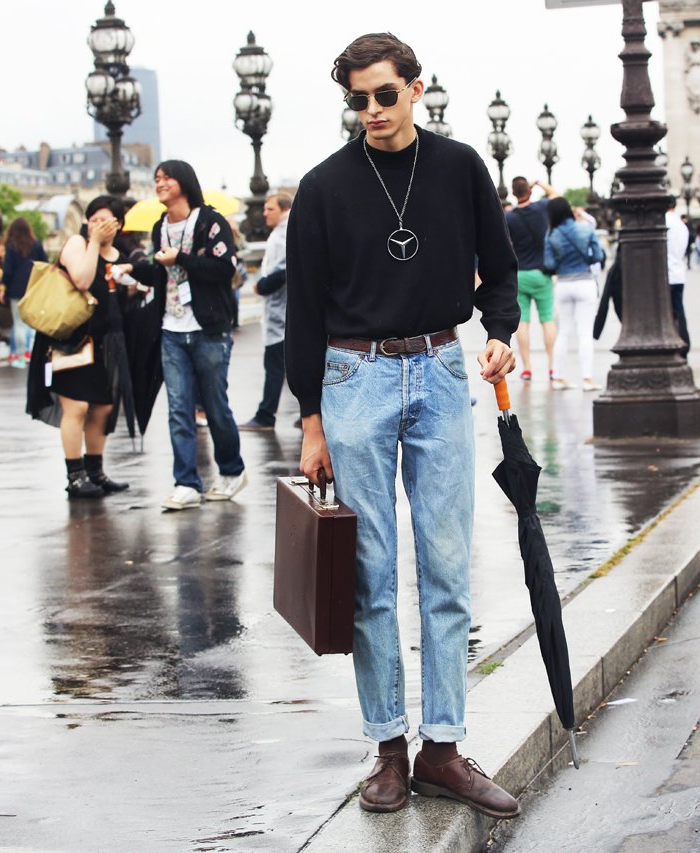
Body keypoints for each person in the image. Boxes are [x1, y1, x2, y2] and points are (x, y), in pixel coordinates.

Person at [286, 32, 521, 819]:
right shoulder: (324, 188)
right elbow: (303, 310)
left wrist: (500, 330)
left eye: (385, 95)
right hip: (353, 377)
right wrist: (311, 420)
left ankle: (443, 748)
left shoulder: (459, 168)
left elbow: (501, 266)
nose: (373, 111)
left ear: (417, 88)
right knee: (371, 571)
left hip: (441, 368)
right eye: (358, 100)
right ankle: (389, 747)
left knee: (448, 564)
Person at [114, 160, 246, 511]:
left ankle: (232, 471)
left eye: (166, 178)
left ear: (183, 182)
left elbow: (225, 269)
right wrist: (133, 268)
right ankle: (186, 482)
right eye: (156, 178)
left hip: (208, 329)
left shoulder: (210, 222)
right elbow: (161, 272)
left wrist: (181, 258)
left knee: (215, 406)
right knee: (178, 409)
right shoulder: (160, 226)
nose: (159, 183)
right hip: (172, 329)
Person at [25, 197, 131, 499]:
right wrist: (94, 242)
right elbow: (83, 281)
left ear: (118, 224)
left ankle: (95, 471)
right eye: (93, 219)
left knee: (103, 407)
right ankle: (74, 475)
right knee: (77, 406)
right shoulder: (77, 244)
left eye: (105, 220)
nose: (98, 225)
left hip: (100, 342)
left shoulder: (118, 256)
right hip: (69, 339)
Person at [239, 192, 292, 431]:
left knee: (274, 366)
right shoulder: (284, 230)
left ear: (283, 209)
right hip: (283, 312)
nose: (264, 213)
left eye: (270, 209)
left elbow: (283, 271)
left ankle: (266, 414)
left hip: (280, 313)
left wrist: (261, 285)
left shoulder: (283, 234)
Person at [543, 197, 601, 391]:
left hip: (563, 284)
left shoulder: (551, 234)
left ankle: (558, 378)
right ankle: (587, 379)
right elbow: (598, 256)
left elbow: (549, 264)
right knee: (585, 333)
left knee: (564, 333)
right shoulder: (586, 229)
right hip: (585, 282)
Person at [505, 174, 559, 383]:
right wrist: (539, 183)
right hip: (542, 272)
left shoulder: (509, 217)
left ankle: (527, 368)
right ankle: (552, 366)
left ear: (513, 193)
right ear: (529, 190)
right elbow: (555, 195)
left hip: (520, 274)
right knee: (547, 319)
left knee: (523, 322)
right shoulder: (541, 208)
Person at [0, 217, 47, 369]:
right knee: (33, 324)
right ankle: (31, 352)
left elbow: (8, 270)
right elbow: (45, 264)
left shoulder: (11, 246)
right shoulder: (36, 244)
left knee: (19, 324)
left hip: (16, 289)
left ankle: (20, 356)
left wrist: (3, 287)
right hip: (34, 287)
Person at [666, 201, 691, 358]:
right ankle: (683, 342)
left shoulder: (664, 221)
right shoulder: (681, 225)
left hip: (666, 273)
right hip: (678, 272)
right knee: (679, 311)